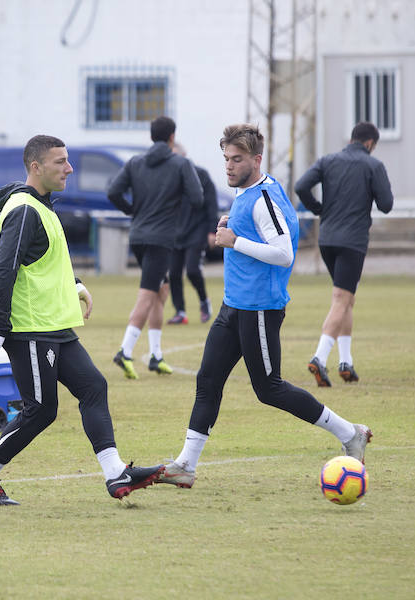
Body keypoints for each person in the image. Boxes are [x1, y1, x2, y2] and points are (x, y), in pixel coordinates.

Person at [158, 124, 372, 489]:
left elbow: (284, 252)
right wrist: (235, 228)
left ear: (256, 160)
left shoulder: (263, 198)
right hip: (234, 306)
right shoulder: (249, 193)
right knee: (207, 380)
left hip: (258, 308)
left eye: (237, 159)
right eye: (226, 158)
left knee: (269, 388)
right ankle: (185, 466)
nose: (228, 166)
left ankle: (350, 433)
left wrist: (235, 239)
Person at [0, 135, 164, 506]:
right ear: (36, 167)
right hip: (30, 329)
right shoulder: (24, 209)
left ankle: (114, 472)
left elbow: (44, 263)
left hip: (55, 328)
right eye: (60, 162)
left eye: (68, 161)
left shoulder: (43, 207)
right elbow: (3, 270)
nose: (69, 169)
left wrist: (77, 285)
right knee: (40, 411)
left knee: (93, 387)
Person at [294, 121, 393, 386]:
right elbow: (386, 205)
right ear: (370, 143)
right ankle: (319, 357)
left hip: (326, 239)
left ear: (352, 139)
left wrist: (318, 209)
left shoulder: (327, 160)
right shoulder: (373, 165)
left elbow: (301, 185)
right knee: (341, 298)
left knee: (347, 299)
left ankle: (346, 362)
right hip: (353, 241)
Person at [107, 116, 203, 379]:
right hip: (162, 239)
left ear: (151, 136)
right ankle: (125, 351)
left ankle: (155, 356)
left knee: (161, 291)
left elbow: (113, 192)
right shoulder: (181, 164)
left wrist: (132, 210)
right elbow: (197, 198)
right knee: (148, 294)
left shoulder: (135, 162)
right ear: (172, 137)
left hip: (138, 236)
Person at [167, 143, 219, 325]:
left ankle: (204, 301)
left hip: (197, 231)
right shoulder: (168, 178)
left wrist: (213, 230)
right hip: (175, 232)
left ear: (184, 156)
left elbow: (212, 204)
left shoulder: (201, 175)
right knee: (173, 274)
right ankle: (180, 312)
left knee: (192, 270)